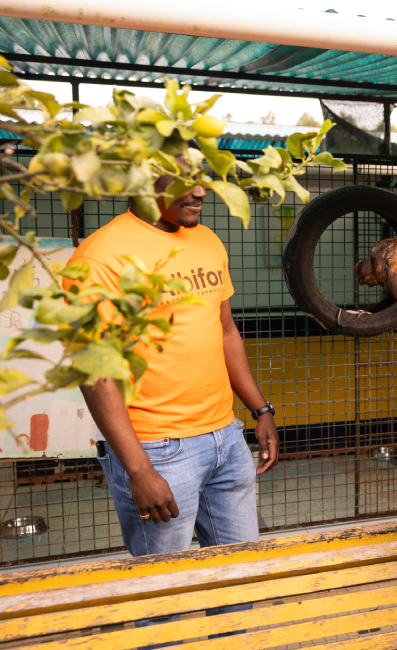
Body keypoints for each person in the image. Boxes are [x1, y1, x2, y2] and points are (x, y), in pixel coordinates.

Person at [67, 155, 279, 643]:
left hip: (226, 437)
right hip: (160, 451)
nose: (201, 192)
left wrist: (258, 408)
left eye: (205, 181)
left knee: (238, 579)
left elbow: (225, 331)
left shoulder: (206, 239)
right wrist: (139, 470)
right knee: (164, 600)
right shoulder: (102, 258)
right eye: (185, 180)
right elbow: (93, 371)